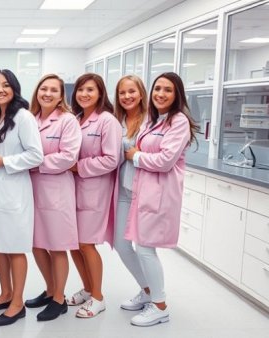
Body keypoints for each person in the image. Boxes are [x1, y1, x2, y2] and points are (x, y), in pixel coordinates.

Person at [124, 72, 198, 326]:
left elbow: (165, 161)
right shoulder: (154, 119)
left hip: (161, 193)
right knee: (140, 246)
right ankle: (149, 295)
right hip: (145, 190)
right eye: (157, 88)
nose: (160, 94)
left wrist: (135, 156)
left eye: (167, 90)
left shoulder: (179, 122)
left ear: (177, 95)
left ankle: (160, 305)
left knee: (145, 248)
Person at [0, 69, 44, 326]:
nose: (0, 90)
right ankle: (5, 293)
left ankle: (17, 302)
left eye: (5, 85)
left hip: (14, 188)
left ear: (14, 88)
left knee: (15, 246)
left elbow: (36, 155)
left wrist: (3, 161)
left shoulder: (23, 116)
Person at [25, 74, 81, 321]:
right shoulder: (30, 119)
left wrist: (36, 164)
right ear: (37, 92)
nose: (47, 93)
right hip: (30, 189)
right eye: (43, 89)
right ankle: (50, 290)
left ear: (61, 96)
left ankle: (59, 299)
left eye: (53, 90)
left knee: (57, 247)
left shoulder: (68, 121)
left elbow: (69, 157)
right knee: (37, 244)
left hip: (56, 190)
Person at [67, 73, 121, 318]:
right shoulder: (76, 118)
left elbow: (111, 159)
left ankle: (98, 297)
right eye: (80, 89)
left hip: (95, 190)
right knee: (73, 244)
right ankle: (88, 288)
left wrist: (79, 167)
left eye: (90, 89)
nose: (84, 94)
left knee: (86, 244)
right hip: (72, 189)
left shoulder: (107, 120)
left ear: (100, 93)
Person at [112, 75, 152, 312]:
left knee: (145, 248)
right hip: (123, 189)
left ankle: (156, 297)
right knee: (121, 244)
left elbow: (154, 153)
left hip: (144, 190)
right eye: (122, 93)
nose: (127, 96)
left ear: (141, 93)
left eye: (131, 92)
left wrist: (135, 154)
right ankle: (147, 290)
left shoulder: (150, 121)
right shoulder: (117, 120)